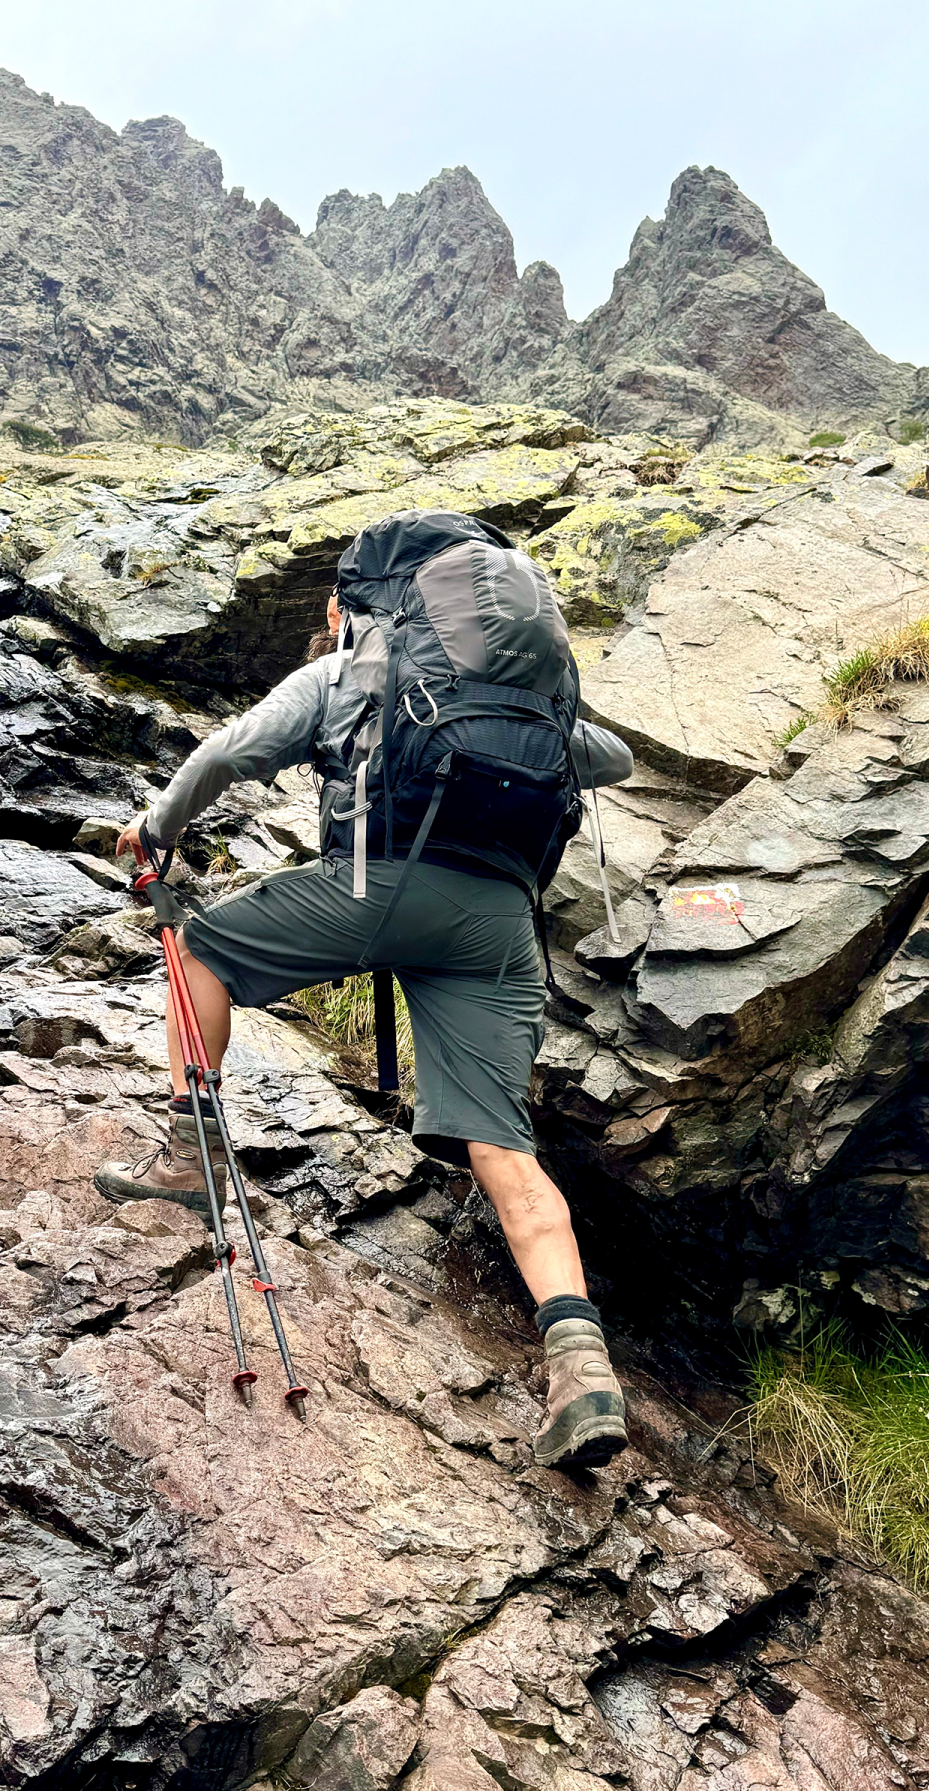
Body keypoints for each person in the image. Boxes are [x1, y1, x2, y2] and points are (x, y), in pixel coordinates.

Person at [96, 510, 634, 1469]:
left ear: (356, 608)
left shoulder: (353, 670)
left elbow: (228, 753)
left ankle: (193, 1160)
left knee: (203, 953)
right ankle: (580, 1368)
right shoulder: (535, 700)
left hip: (381, 886)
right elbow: (614, 763)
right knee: (503, 1147)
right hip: (501, 928)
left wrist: (156, 828)